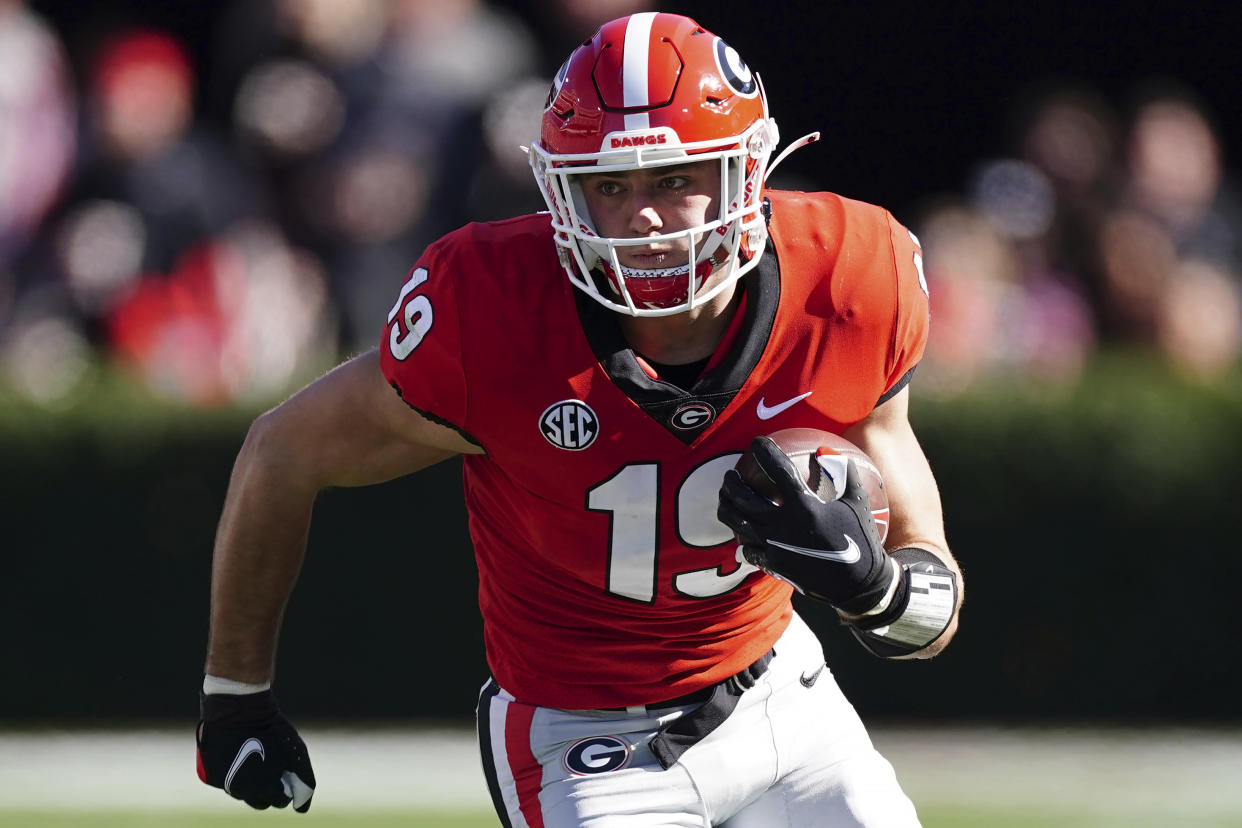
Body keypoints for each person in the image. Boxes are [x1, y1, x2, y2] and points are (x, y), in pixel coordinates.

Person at [195, 12, 964, 827]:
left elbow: (933, 613)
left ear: (747, 173)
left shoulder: (848, 279)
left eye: (674, 178)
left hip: (786, 701)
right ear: (562, 189)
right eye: (609, 185)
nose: (643, 218)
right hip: (586, 747)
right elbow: (282, 450)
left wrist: (877, 589)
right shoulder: (490, 311)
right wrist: (235, 696)